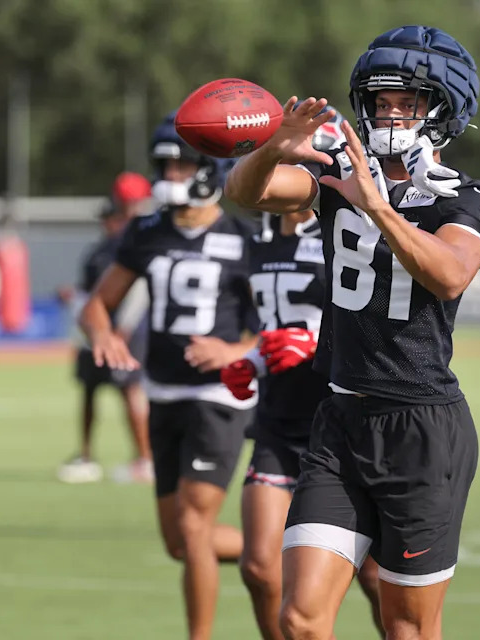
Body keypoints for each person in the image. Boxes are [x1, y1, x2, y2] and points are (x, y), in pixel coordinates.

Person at [224, 25, 480, 640]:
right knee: (300, 620)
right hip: (340, 422)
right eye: (380, 101)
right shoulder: (340, 174)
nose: (389, 114)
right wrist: (274, 149)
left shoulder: (462, 197)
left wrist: (379, 207)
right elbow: (245, 193)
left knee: (406, 628)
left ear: (444, 109)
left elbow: (450, 275)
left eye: (408, 102)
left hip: (422, 430)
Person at [80, 112, 258, 639]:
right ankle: (283, 549)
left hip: (219, 396)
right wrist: (104, 334)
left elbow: (275, 322)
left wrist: (235, 350)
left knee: (194, 526)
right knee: (178, 541)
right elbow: (97, 305)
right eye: (166, 163)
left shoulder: (244, 238)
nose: (173, 173)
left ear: (211, 168)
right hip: (163, 392)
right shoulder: (147, 230)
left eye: (183, 163)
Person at [219, 108, 382, 639]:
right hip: (279, 420)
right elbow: (273, 325)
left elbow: (376, 321)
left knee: (379, 580)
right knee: (259, 568)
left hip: (341, 419)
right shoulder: (259, 233)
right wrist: (251, 358)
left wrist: (310, 344)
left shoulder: (348, 228)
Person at [58, 172, 155, 484]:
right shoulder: (103, 248)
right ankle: (85, 455)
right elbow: (89, 292)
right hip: (95, 332)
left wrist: (122, 328)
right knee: (89, 390)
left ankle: (144, 459)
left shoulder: (141, 239)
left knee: (130, 390)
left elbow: (140, 287)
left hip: (124, 331)